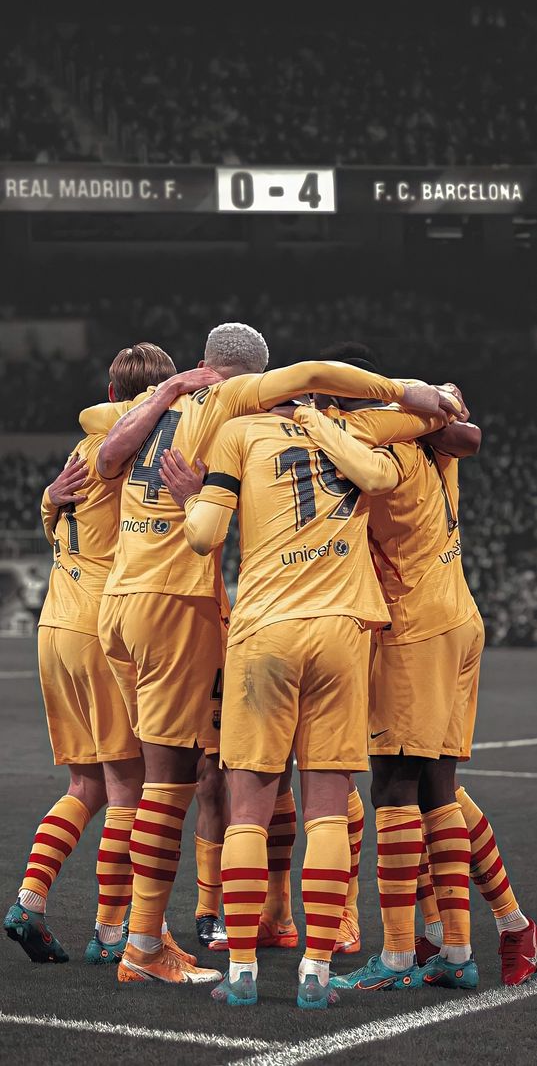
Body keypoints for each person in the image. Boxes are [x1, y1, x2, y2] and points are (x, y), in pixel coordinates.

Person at [78, 321, 456, 987]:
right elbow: (329, 385)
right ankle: (189, 943)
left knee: (152, 782)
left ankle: (215, 948)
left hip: (128, 600)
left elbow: (106, 451)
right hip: (210, 607)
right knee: (254, 789)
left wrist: (169, 388)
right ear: (252, 376)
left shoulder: (154, 409)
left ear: (202, 362)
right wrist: (416, 393)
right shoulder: (241, 409)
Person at [296, 349, 535, 990]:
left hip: (413, 628)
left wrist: (316, 420)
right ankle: (479, 938)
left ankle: (401, 953)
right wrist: (426, 406)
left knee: (394, 788)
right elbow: (468, 433)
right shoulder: (430, 438)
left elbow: (368, 475)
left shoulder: (382, 448)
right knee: (439, 790)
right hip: (455, 617)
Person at [3, 343, 214, 977]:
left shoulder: (79, 453)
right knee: (131, 788)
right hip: (102, 627)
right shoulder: (136, 453)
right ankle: (114, 927)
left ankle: (30, 900)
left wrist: (47, 496)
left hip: (54, 626)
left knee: (85, 785)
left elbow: (54, 519)